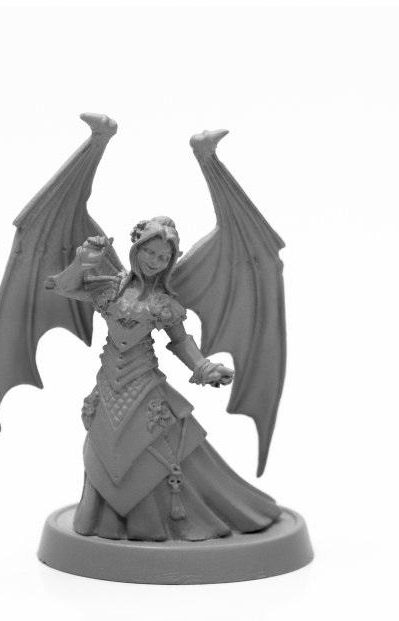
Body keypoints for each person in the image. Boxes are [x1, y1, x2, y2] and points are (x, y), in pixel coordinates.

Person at [48, 215, 281, 541]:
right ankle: (106, 520)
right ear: (137, 248)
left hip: (143, 381)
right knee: (102, 448)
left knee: (156, 446)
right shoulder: (110, 289)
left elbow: (181, 341)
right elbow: (61, 287)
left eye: (163, 257)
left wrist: (204, 368)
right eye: (150, 252)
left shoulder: (163, 304)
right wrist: (82, 262)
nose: (154, 261)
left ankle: (153, 521)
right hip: (109, 381)